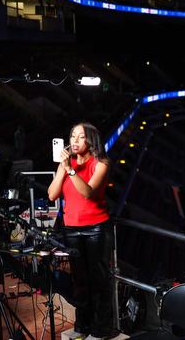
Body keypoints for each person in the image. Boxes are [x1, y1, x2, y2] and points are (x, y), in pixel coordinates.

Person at [48, 122, 115, 339]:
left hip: (96, 228)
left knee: (99, 280)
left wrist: (70, 169)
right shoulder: (65, 164)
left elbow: (88, 192)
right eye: (72, 136)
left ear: (91, 141)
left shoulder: (101, 163)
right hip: (72, 228)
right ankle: (82, 325)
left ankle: (100, 328)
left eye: (80, 137)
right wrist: (62, 168)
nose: (74, 141)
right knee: (80, 280)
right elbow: (52, 195)